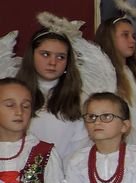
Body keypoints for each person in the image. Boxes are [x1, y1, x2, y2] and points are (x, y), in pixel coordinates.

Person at [94, 10, 136, 161]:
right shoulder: (103, 76)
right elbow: (110, 115)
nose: (132, 41)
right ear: (109, 38)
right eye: (125, 35)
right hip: (117, 152)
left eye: (133, 36)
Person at [16, 29, 90, 162]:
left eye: (60, 57)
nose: (53, 62)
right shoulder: (13, 95)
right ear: (31, 56)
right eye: (45, 54)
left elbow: (82, 148)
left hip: (68, 170)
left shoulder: (81, 99)